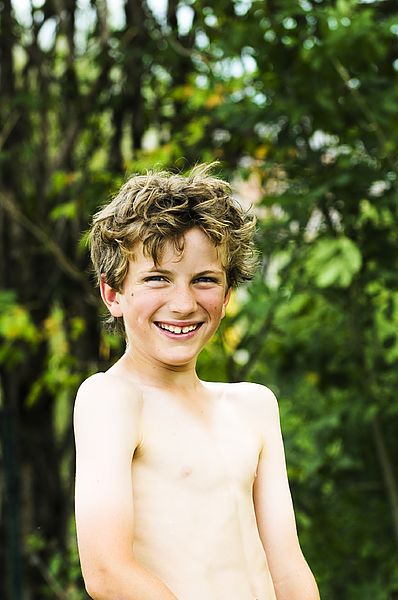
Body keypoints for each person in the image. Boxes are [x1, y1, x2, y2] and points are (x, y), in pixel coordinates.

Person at [73, 164, 320, 600]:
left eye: (205, 280)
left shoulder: (254, 406)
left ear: (226, 296)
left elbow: (288, 567)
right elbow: (107, 571)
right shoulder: (111, 398)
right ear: (113, 294)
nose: (184, 303)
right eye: (156, 279)